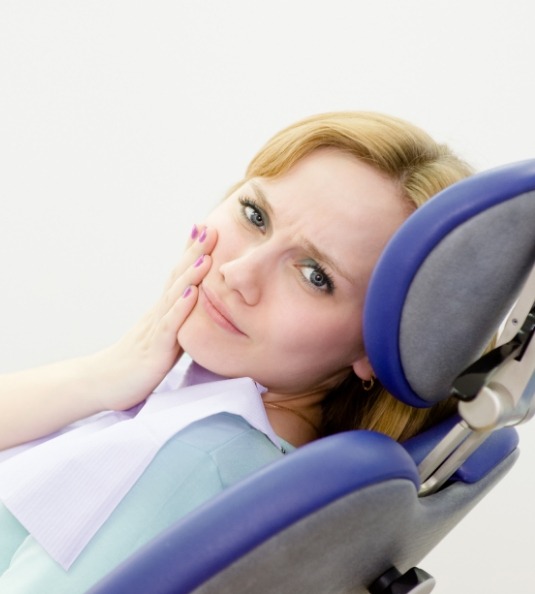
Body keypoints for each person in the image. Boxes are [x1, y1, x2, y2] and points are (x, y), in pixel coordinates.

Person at [0, 111, 473, 592]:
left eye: (315, 276)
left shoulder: (203, 461)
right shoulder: (199, 403)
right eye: (255, 215)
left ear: (378, 347)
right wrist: (102, 377)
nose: (240, 273)